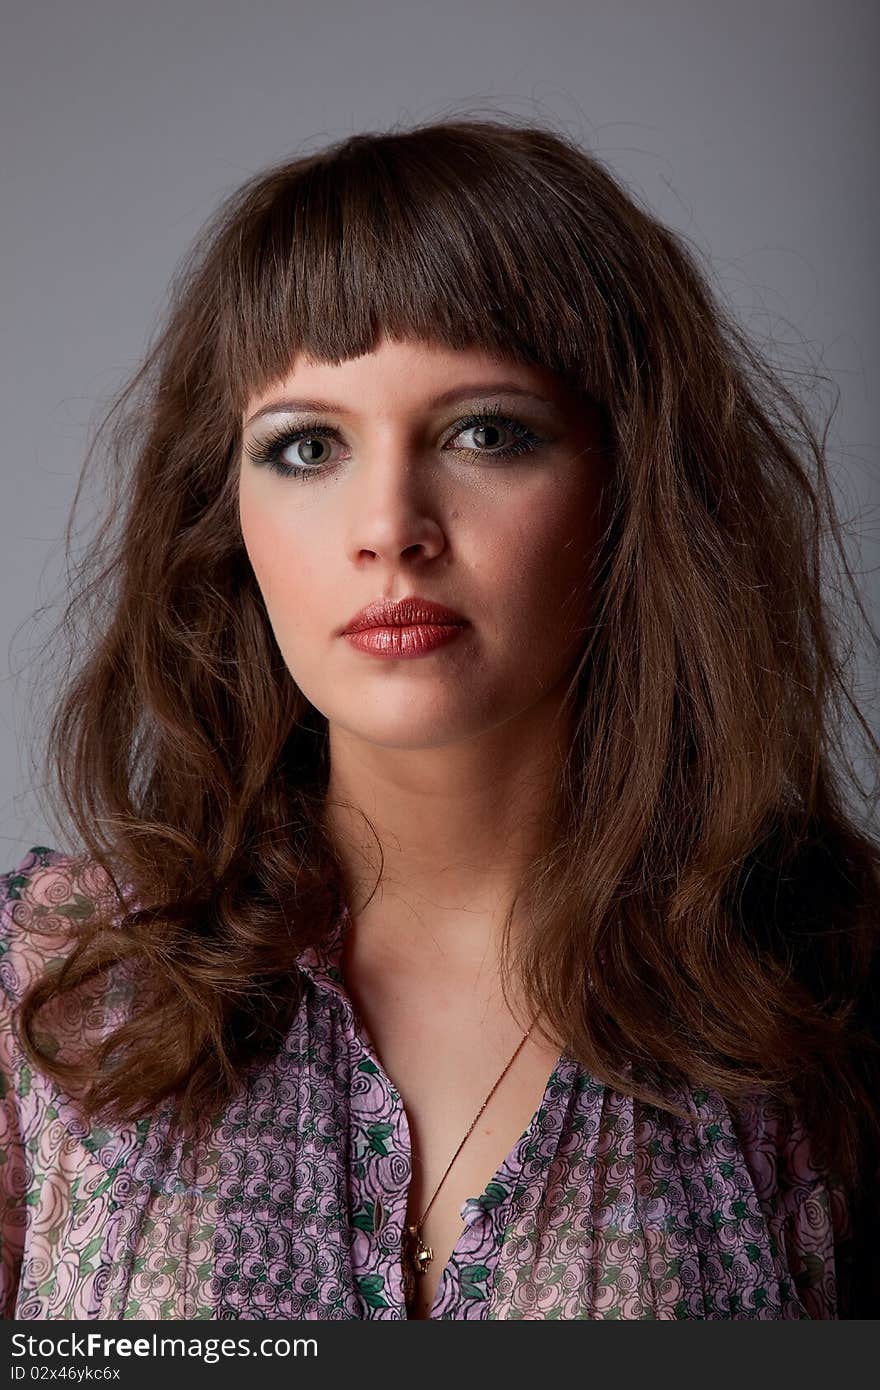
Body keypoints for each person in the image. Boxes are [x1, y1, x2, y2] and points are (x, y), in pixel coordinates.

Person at [2, 115, 878, 1322]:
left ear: (631, 484)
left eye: (484, 433)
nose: (390, 525)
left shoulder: (835, 987)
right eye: (306, 446)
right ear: (228, 521)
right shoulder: (52, 987)